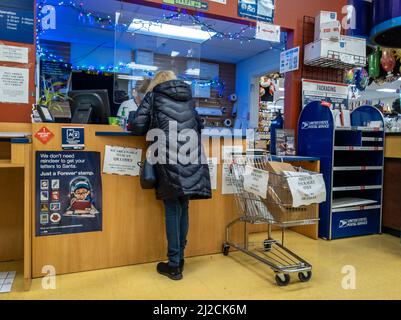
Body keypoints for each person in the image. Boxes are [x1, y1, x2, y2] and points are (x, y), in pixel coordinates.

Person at [129, 71, 212, 280]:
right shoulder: (189, 99)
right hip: (191, 156)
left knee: (173, 209)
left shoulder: (154, 96)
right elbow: (199, 126)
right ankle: (180, 257)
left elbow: (138, 127)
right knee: (183, 207)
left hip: (167, 157)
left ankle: (174, 265)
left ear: (156, 82)